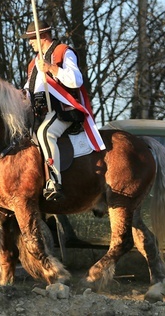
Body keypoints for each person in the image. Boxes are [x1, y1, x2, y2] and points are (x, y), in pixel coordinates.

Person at [22, 20, 103, 201]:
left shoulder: (63, 52)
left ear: (42, 36)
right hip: (41, 112)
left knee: (45, 133)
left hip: (64, 110)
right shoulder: (33, 63)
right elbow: (29, 89)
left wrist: (52, 68)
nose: (29, 42)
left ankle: (54, 181)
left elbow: (76, 80)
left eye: (31, 38)